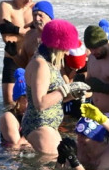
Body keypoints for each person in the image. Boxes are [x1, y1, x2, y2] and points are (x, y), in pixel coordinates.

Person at [19, 19, 91, 155]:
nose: (68, 53)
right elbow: (40, 103)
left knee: (64, 162)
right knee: (53, 165)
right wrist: (65, 89)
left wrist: (73, 94)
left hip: (48, 125)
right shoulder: (41, 65)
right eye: (67, 47)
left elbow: (53, 97)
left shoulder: (50, 63)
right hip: (39, 124)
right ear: (58, 45)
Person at [0, 0, 36, 106]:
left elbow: (45, 29)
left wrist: (17, 31)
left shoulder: (35, 8)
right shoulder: (6, 6)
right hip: (13, 57)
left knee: (33, 100)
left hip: (31, 59)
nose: (28, 0)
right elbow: (5, 32)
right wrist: (28, 31)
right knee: (9, 102)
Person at [0, 68, 29, 148]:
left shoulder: (36, 114)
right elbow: (16, 146)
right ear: (18, 99)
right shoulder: (9, 117)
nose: (32, 99)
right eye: (27, 96)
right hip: (10, 155)